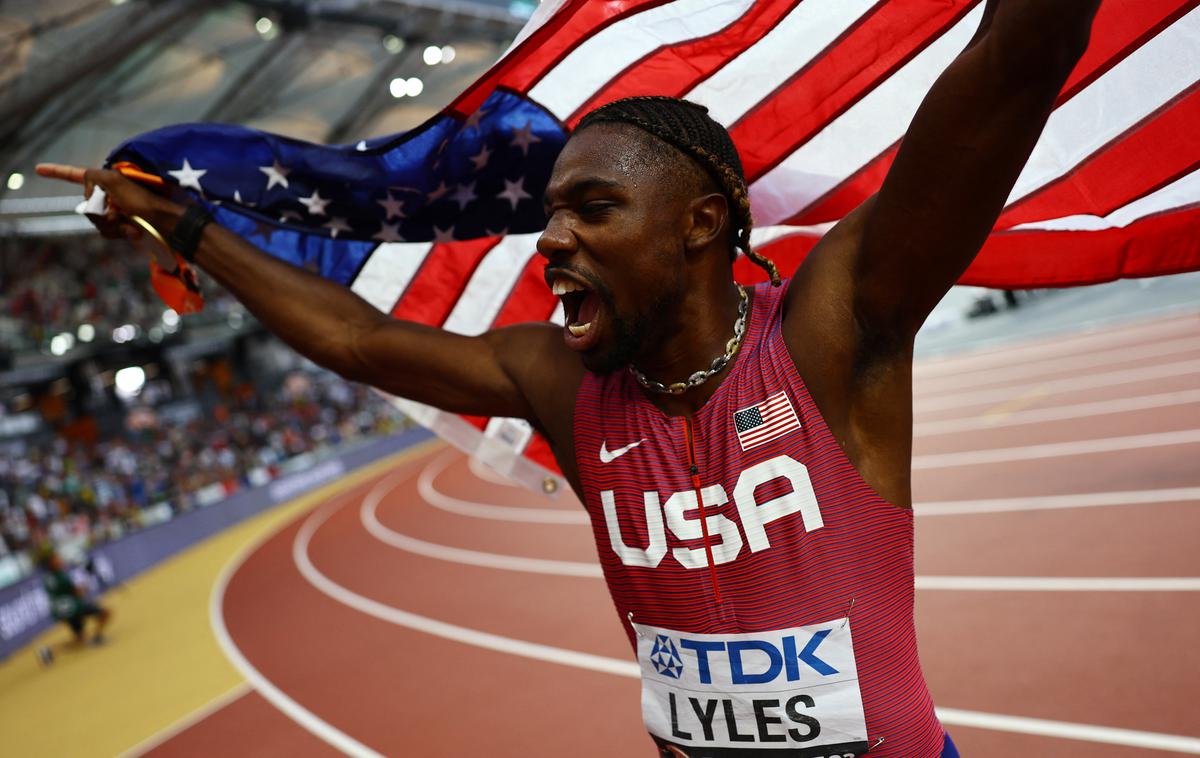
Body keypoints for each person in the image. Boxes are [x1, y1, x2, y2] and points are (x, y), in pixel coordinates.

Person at [38, 0, 1101, 753]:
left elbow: (1017, 61)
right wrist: (185, 222)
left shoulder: (833, 329)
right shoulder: (563, 380)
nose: (549, 239)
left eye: (591, 208)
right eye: (551, 211)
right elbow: (358, 340)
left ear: (701, 221)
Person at [38, 551, 112, 662]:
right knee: (106, 613)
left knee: (80, 640)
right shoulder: (61, 577)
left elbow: (63, 592)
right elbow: (78, 593)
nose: (60, 559)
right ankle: (97, 638)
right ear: (50, 563)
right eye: (56, 558)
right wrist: (88, 576)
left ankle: (49, 651)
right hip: (73, 608)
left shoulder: (48, 578)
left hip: (62, 611)